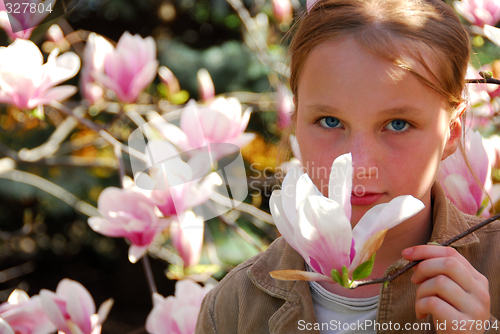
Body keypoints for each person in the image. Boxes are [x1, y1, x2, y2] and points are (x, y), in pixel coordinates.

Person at [195, 0, 500, 333]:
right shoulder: (235, 307)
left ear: (453, 131)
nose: (357, 164)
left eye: (398, 124)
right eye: (329, 121)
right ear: (296, 120)